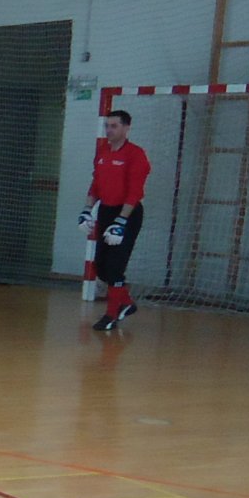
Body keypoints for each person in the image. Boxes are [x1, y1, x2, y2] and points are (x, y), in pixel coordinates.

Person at [80, 108, 150, 332]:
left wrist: (120, 222)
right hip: (106, 211)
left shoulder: (136, 155)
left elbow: (134, 192)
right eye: (107, 126)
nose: (109, 130)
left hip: (127, 214)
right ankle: (127, 303)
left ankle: (111, 315)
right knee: (100, 267)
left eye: (114, 126)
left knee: (115, 266)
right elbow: (96, 185)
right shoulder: (102, 152)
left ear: (126, 128)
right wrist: (87, 210)